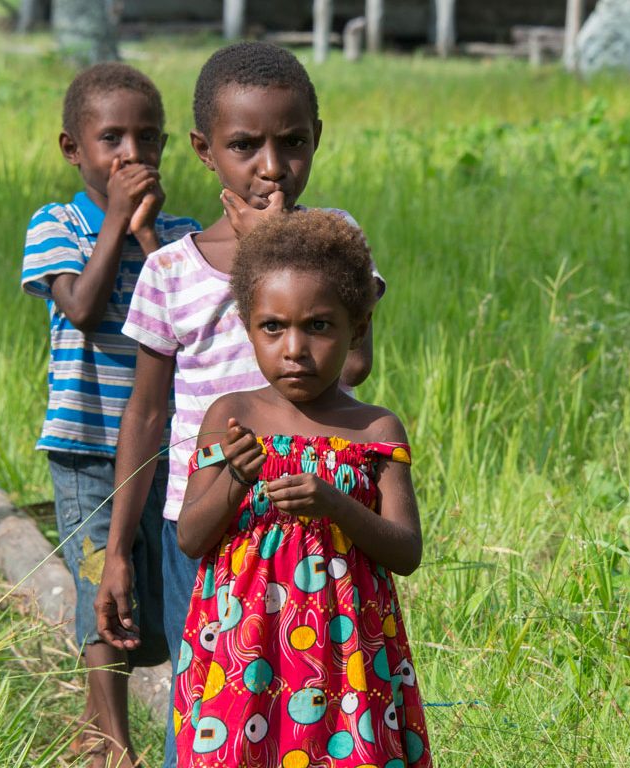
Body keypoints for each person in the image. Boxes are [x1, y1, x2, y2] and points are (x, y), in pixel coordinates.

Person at [100, 42, 380, 766]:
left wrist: (280, 252)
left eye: (292, 143)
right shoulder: (169, 269)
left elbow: (355, 362)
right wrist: (115, 551)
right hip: (206, 523)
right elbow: (146, 415)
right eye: (244, 145)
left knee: (316, 702)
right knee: (209, 704)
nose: (272, 167)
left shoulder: (337, 241)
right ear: (203, 149)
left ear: (317, 135)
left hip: (318, 519)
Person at [172, 210, 429, 767]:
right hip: (245, 649)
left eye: (318, 326)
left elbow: (406, 551)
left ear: (357, 329)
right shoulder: (231, 415)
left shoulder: (376, 431)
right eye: (273, 327)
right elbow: (191, 538)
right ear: (248, 326)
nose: (294, 347)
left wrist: (335, 504)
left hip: (347, 654)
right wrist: (237, 479)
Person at [19, 62, 201, 767]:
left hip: (167, 442)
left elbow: (185, 317)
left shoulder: (180, 235)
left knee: (158, 586)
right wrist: (115, 228)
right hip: (88, 445)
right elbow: (84, 307)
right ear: (74, 149)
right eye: (112, 139)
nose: (133, 155)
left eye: (149, 139)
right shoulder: (55, 224)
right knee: (103, 580)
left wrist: (150, 236)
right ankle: (111, 743)